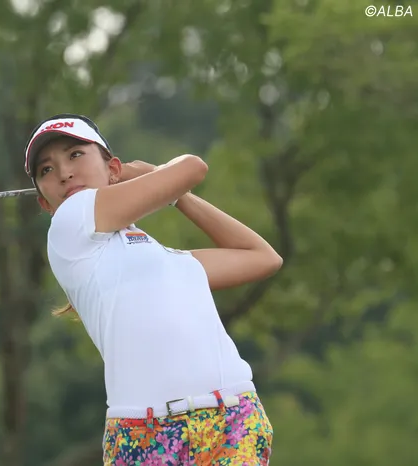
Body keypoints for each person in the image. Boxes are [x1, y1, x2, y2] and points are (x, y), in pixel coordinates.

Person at [23, 113, 282, 466]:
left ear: (112, 168)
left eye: (75, 155)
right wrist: (155, 174)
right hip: (144, 433)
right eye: (46, 170)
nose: (64, 173)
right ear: (44, 203)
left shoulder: (165, 258)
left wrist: (179, 197)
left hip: (230, 419)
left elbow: (262, 257)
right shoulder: (69, 221)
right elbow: (193, 167)